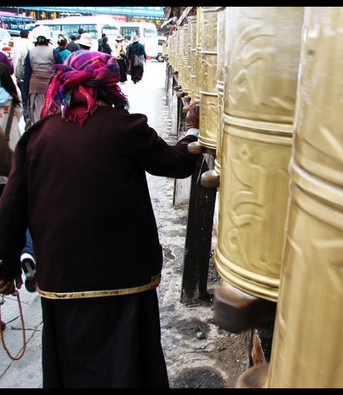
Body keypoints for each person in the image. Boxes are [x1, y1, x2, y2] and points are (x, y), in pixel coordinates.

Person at [0, 50, 200, 388]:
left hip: (62, 277)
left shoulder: (38, 136)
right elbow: (176, 163)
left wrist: (5, 269)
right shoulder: (127, 127)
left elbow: (10, 207)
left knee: (72, 363)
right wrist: (193, 132)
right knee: (128, 364)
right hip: (124, 273)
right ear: (110, 86)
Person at [0, 63, 37, 296]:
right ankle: (26, 251)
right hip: (11, 166)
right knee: (18, 212)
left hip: (9, 164)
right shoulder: (11, 101)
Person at [23, 26, 63, 125]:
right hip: (51, 86)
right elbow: (61, 68)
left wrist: (25, 90)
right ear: (48, 40)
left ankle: (38, 129)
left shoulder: (31, 52)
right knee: (51, 109)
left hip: (35, 86)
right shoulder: (53, 52)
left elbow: (27, 73)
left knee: (37, 111)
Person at [12, 29, 32, 127]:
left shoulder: (17, 45)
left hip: (21, 77)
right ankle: (29, 118)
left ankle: (26, 118)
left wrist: (17, 75)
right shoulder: (30, 44)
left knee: (24, 99)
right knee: (29, 99)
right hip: (29, 77)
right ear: (28, 35)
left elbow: (16, 61)